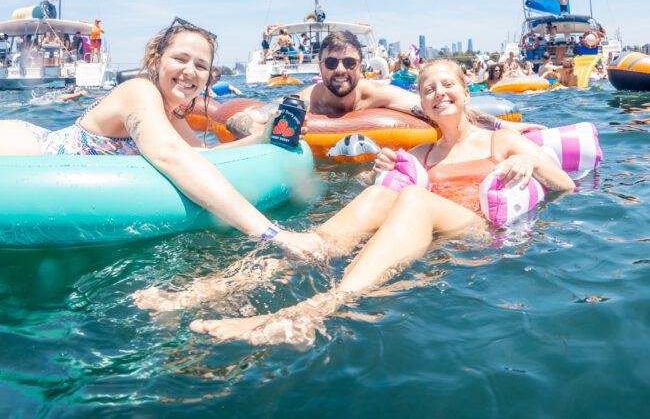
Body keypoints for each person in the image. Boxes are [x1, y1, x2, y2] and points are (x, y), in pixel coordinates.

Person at [160, 59, 573, 345]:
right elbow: (389, 203)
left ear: (466, 93)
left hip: (479, 237)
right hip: (437, 240)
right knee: (381, 192)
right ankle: (222, 287)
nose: (439, 93)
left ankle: (314, 312)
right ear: (422, 103)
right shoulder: (423, 155)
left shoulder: (500, 140)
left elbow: (563, 186)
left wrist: (524, 161)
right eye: (429, 89)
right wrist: (378, 174)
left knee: (411, 196)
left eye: (448, 85)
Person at [0, 18, 318, 254]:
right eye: (179, 59)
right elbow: (171, 157)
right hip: (23, 150)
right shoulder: (139, 91)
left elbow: (202, 157)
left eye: (201, 65)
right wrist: (269, 233)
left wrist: (262, 138)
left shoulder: (171, 113)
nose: (190, 71)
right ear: (157, 61)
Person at [225, 31, 543, 140]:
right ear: (319, 67)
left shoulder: (378, 94)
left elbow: (435, 110)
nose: (340, 70)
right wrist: (262, 135)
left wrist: (505, 128)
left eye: (349, 63)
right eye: (331, 63)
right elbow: (243, 118)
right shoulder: (307, 99)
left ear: (360, 67)